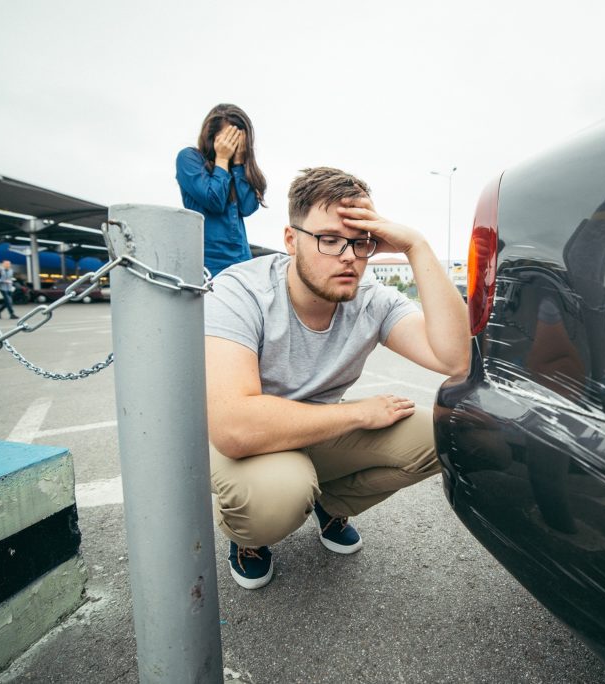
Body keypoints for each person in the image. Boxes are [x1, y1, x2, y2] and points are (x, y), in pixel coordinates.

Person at [204, 167, 470, 589]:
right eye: (329, 240)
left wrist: (416, 246)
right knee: (280, 494)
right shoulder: (241, 291)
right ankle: (248, 539)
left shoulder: (371, 299)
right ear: (291, 240)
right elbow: (235, 426)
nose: (349, 256)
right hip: (252, 445)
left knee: (452, 434)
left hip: (317, 430)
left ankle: (330, 505)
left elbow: (455, 359)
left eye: (361, 242)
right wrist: (359, 415)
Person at [176, 104, 267, 276]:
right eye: (228, 138)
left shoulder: (238, 170)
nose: (232, 144)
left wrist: (239, 164)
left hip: (241, 263)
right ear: (212, 137)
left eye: (237, 138)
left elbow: (247, 207)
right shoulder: (189, 158)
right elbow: (214, 200)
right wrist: (222, 159)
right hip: (207, 266)